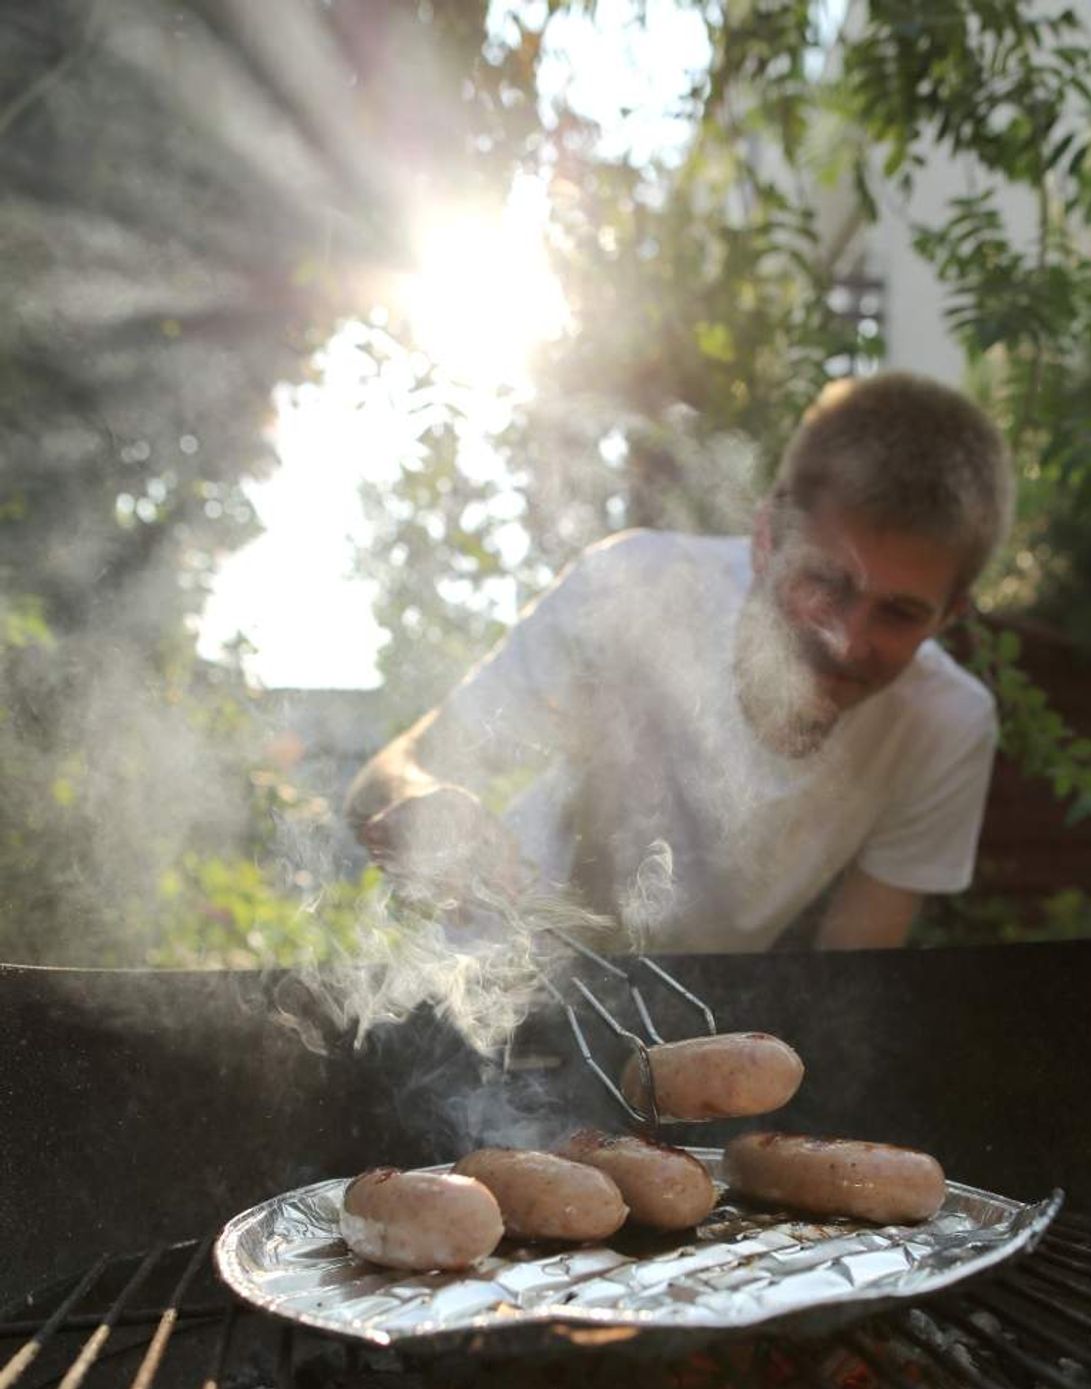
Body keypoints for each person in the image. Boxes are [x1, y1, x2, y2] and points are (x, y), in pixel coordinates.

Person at [346, 371, 1014, 953]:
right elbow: (386, 776)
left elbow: (852, 978)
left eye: (898, 614)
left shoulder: (946, 725)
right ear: (766, 537)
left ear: (948, 616)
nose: (845, 639)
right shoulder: (634, 587)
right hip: (496, 966)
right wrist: (423, 805)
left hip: (697, 1021)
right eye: (824, 583)